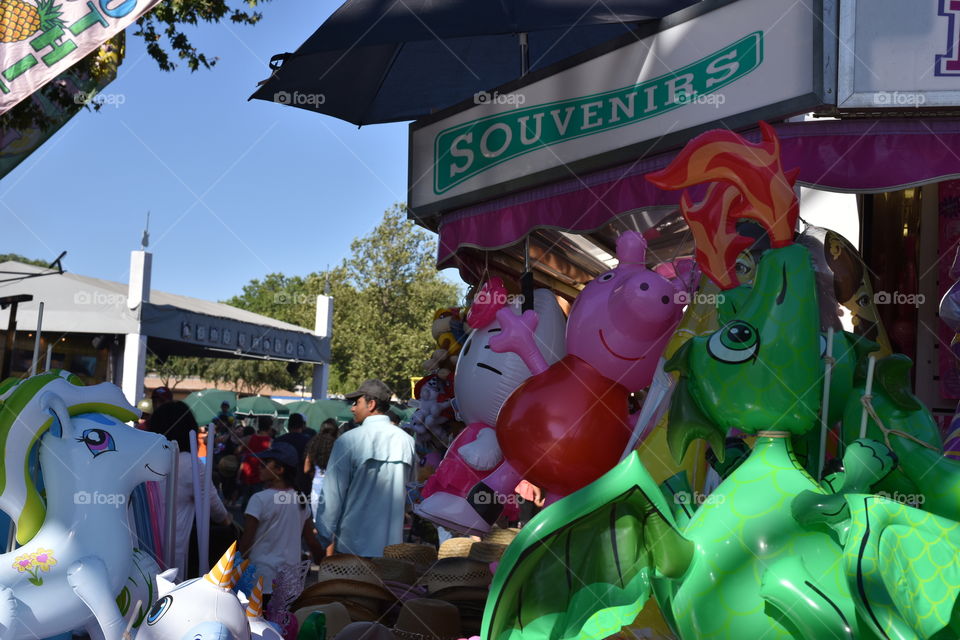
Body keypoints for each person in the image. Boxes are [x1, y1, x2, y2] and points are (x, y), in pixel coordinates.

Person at [316, 380, 416, 557]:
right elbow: (411, 495)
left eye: (356, 402)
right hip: (391, 552)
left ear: (371, 404)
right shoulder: (407, 441)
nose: (352, 408)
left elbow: (332, 496)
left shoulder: (348, 440)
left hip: (351, 547)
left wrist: (323, 538)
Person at [150, 401, 232, 578]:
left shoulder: (144, 459)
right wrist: (229, 522)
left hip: (142, 550)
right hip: (174, 556)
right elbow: (216, 510)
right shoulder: (190, 464)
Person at [237, 441, 325, 598]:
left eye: (264, 464)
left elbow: (246, 544)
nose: (259, 467)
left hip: (261, 580)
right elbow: (311, 541)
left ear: (280, 469)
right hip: (290, 582)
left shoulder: (259, 499)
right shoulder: (300, 498)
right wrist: (324, 565)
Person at [304, 420, 339, 520]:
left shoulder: (314, 444)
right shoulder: (338, 445)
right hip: (333, 485)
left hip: (316, 483)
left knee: (316, 517)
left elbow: (306, 469)